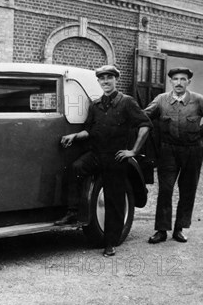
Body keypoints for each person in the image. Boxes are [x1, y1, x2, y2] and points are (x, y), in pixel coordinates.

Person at [58, 65, 151, 257]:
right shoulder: (96, 104)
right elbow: (89, 130)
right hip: (97, 153)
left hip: (116, 157)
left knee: (113, 199)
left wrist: (133, 151)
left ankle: (110, 242)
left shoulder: (127, 102)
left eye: (109, 78)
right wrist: (75, 136)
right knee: (76, 167)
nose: (106, 82)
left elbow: (145, 125)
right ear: (98, 82)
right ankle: (73, 212)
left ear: (116, 80)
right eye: (102, 79)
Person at [145, 67, 203, 244]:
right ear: (171, 82)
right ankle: (161, 230)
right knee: (165, 190)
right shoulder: (161, 100)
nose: (179, 82)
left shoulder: (197, 100)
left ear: (189, 82)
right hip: (168, 151)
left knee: (187, 190)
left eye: (183, 79)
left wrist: (199, 133)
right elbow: (144, 116)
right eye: (175, 79)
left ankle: (180, 228)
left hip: (192, 150)